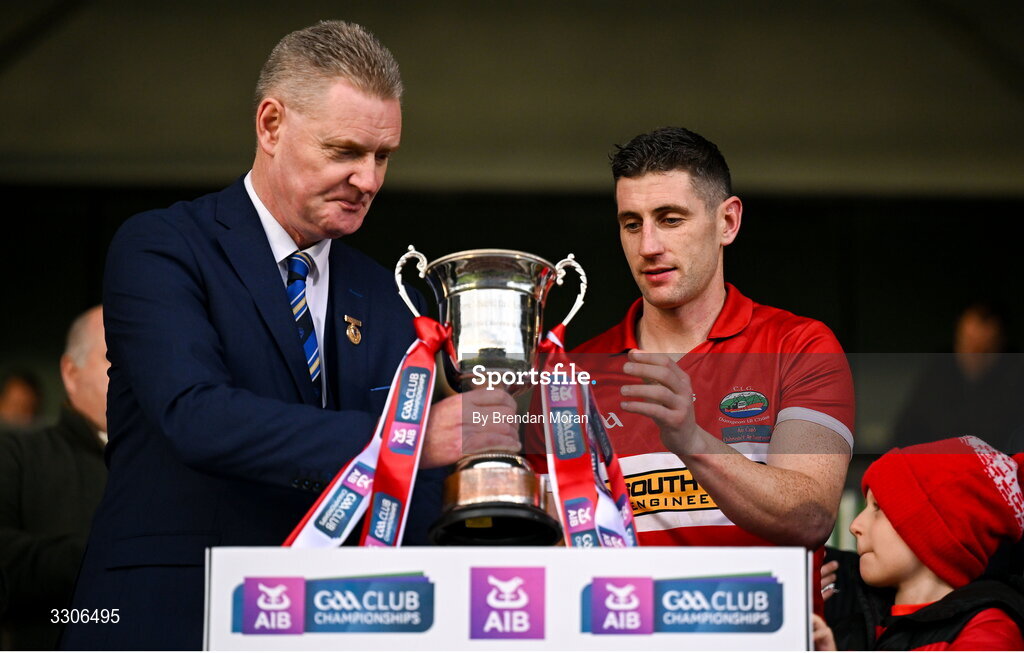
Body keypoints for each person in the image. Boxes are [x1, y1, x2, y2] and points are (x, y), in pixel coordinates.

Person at [61, 21, 516, 651]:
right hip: (174, 613)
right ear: (270, 125)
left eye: (383, 156)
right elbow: (195, 415)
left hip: (340, 623)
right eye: (345, 151)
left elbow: (416, 483)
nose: (371, 180)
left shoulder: (386, 294)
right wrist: (405, 441)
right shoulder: (161, 246)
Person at [568, 127, 854, 608]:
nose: (649, 246)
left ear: (728, 221)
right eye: (632, 224)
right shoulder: (575, 375)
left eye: (671, 219)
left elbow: (810, 516)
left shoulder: (800, 346)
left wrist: (692, 443)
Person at [812, 436, 1024, 650]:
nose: (855, 525)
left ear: (935, 533)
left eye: (878, 509)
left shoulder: (990, 629)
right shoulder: (854, 622)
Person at [0, 306, 109, 650]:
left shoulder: (180, 462)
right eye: (115, 358)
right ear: (70, 372)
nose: (136, 371)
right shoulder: (17, 455)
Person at [893, 300, 1024, 452]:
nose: (973, 355)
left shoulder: (1015, 377)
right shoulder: (940, 371)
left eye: (984, 351)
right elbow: (906, 434)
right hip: (939, 468)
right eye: (967, 345)